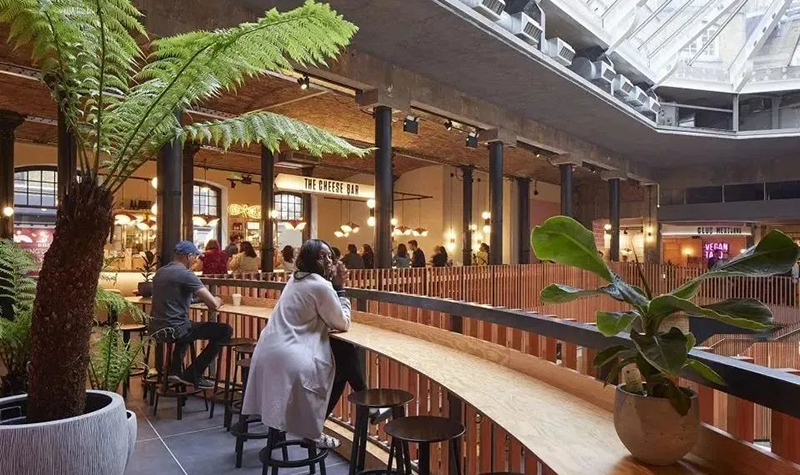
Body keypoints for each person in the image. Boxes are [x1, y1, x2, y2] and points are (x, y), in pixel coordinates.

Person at [243, 240, 350, 449]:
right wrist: (340, 289)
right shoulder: (321, 286)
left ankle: (312, 430)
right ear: (310, 259)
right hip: (291, 358)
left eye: (329, 256)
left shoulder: (295, 279)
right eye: (322, 256)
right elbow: (342, 323)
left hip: (267, 352)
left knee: (346, 359)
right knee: (346, 363)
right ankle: (313, 432)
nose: (328, 261)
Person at [149, 241, 231, 388]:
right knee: (225, 330)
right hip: (176, 330)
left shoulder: (160, 272)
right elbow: (213, 305)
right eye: (195, 257)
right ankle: (194, 374)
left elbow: (174, 296)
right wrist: (218, 300)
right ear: (189, 256)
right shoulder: (186, 275)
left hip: (156, 328)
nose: (195, 260)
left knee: (187, 325)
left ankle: (174, 371)